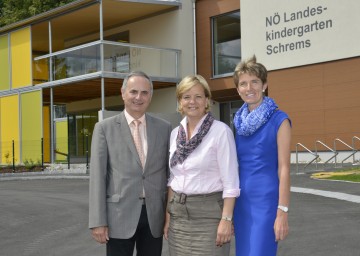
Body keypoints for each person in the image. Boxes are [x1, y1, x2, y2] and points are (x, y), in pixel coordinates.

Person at [89, 71, 172, 256]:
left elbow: (170, 174)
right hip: (118, 217)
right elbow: (98, 177)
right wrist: (97, 221)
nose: (138, 97)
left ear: (150, 96)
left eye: (144, 92)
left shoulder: (164, 128)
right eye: (133, 91)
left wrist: (170, 214)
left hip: (154, 216)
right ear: (123, 93)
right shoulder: (104, 128)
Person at [163, 74, 240, 256]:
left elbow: (231, 183)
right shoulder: (175, 134)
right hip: (178, 218)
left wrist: (226, 219)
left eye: (198, 96)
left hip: (209, 217)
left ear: (207, 100)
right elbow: (173, 178)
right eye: (186, 97)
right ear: (180, 101)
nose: (192, 102)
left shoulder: (220, 132)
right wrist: (168, 218)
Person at [232, 55, 291, 256]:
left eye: (255, 82)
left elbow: (284, 169)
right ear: (238, 89)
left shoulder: (279, 120)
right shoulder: (239, 123)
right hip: (241, 202)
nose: (249, 88)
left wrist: (282, 211)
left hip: (266, 202)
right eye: (243, 84)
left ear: (264, 85)